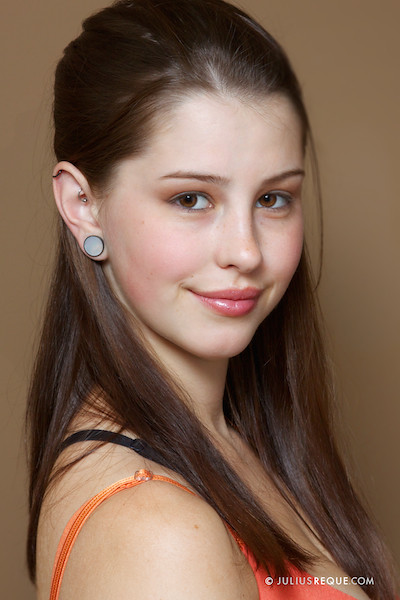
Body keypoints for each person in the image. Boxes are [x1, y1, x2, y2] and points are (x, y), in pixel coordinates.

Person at [26, 1, 397, 599]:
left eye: (273, 199)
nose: (245, 251)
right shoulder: (156, 533)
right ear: (82, 205)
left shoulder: (237, 442)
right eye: (192, 199)